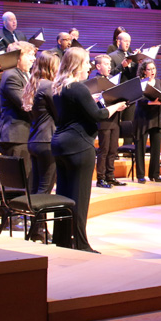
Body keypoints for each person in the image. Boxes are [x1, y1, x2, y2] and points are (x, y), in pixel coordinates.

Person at [50, 47, 126, 251]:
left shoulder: (59, 86)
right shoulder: (78, 87)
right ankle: (81, 243)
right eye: (86, 63)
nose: (89, 66)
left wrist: (92, 102)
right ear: (76, 66)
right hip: (78, 145)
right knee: (80, 198)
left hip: (60, 143)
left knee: (63, 194)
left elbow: (75, 110)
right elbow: (98, 116)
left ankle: (62, 239)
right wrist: (114, 107)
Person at [0, 41, 37, 178]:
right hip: (16, 137)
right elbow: (26, 104)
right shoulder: (11, 75)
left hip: (24, 135)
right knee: (18, 184)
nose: (33, 59)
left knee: (26, 182)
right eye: (29, 55)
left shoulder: (23, 74)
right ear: (17, 57)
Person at [21, 51, 59, 196]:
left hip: (34, 140)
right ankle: (39, 219)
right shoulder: (49, 86)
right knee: (44, 189)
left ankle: (31, 218)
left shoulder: (34, 85)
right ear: (51, 67)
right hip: (47, 141)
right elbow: (59, 113)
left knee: (34, 187)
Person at [88, 54, 123, 188]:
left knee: (113, 149)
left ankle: (110, 176)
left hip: (114, 118)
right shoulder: (95, 82)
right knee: (104, 149)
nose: (109, 67)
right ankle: (100, 178)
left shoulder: (112, 80)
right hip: (103, 119)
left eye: (110, 64)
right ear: (98, 66)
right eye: (106, 64)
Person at [134, 59, 161, 183]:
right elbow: (139, 99)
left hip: (155, 116)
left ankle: (154, 174)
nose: (152, 71)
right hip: (142, 117)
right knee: (140, 147)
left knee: (156, 147)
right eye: (149, 69)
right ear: (144, 71)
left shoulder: (158, 82)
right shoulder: (140, 82)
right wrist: (152, 102)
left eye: (154, 69)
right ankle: (140, 174)